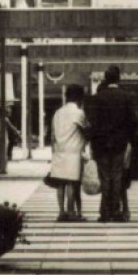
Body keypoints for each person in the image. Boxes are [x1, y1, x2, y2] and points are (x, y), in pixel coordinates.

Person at [86, 66, 138, 223]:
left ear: (106, 79)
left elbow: (93, 123)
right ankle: (115, 211)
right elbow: (133, 122)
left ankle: (105, 212)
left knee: (105, 177)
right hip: (119, 144)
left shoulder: (97, 98)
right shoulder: (126, 97)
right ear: (118, 79)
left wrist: (92, 144)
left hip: (101, 144)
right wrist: (129, 138)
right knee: (117, 176)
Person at [49, 84, 88, 221]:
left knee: (60, 184)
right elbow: (86, 130)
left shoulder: (58, 112)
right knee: (71, 183)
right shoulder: (78, 113)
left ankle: (61, 212)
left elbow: (52, 134)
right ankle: (71, 212)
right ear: (79, 97)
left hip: (59, 151)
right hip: (73, 151)